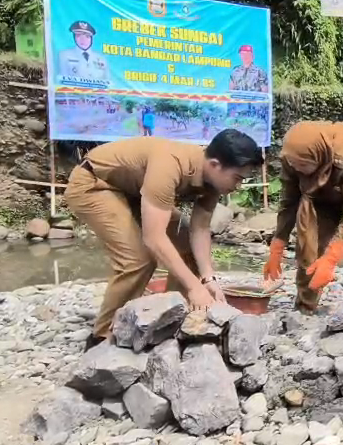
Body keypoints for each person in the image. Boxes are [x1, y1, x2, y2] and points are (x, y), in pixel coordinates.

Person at [64, 129, 264, 350]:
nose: (238, 186)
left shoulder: (213, 181)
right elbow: (154, 238)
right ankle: (102, 339)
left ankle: (168, 319)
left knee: (188, 251)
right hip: (95, 184)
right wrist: (194, 287)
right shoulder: (170, 165)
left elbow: (200, 229)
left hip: (134, 191)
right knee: (138, 260)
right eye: (237, 178)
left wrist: (208, 279)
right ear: (215, 164)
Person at [262, 121, 343, 313]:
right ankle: (306, 303)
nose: (297, 169)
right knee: (311, 240)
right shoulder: (292, 158)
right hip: (322, 191)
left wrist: (332, 258)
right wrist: (277, 247)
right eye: (293, 165)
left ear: (318, 155)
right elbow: (288, 202)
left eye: (303, 164)